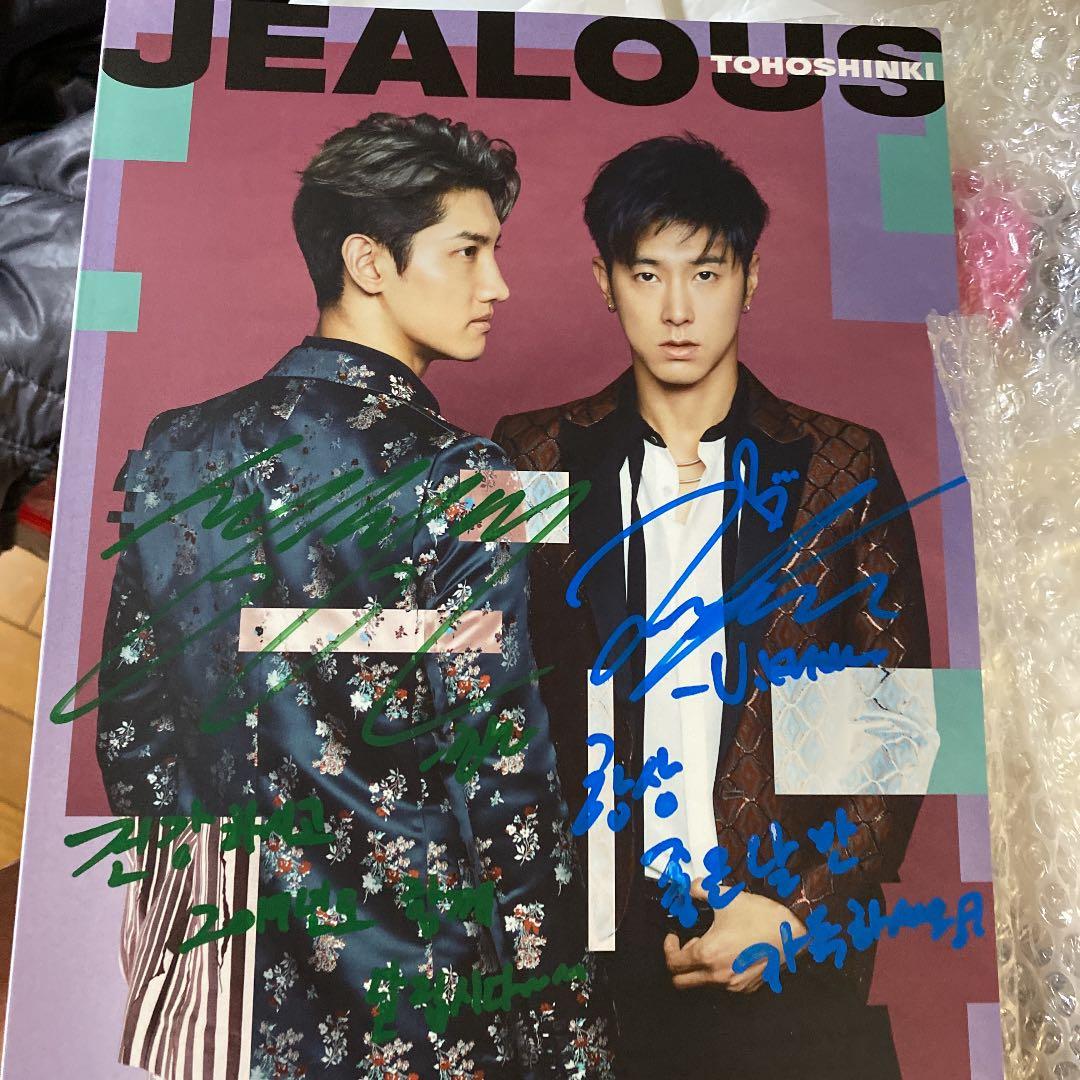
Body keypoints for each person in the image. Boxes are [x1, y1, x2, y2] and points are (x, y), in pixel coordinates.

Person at [97, 112, 613, 1079]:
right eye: (468, 251)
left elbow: (133, 733)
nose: (497, 286)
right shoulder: (472, 475)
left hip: (228, 991)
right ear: (369, 262)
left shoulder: (174, 447)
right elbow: (505, 780)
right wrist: (564, 1042)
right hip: (421, 994)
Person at [493, 134, 931, 1078]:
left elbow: (895, 728)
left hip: (781, 940)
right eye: (647, 274)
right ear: (605, 282)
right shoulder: (532, 455)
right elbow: (494, 700)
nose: (678, 310)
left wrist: (798, 910)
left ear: (751, 278)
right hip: (591, 944)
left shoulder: (840, 465)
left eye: (707, 272)